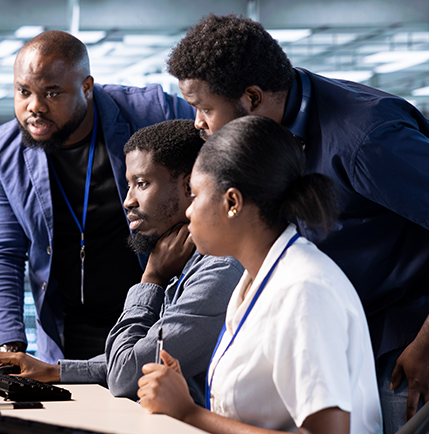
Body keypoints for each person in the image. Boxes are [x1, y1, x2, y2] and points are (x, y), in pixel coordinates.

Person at [164, 14, 429, 434]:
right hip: (382, 306)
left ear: (253, 97)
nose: (198, 123)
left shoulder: (366, 139)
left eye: (205, 108)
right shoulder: (282, 118)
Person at [138, 116, 382, 434]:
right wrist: (179, 392)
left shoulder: (305, 289)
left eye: (195, 196)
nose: (188, 211)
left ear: (232, 202)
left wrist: (189, 412)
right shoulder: (255, 278)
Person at [0, 120, 243, 404]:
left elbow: (126, 375)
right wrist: (55, 371)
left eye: (142, 184)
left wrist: (151, 279)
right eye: (129, 185)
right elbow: (135, 357)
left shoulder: (219, 270)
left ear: (189, 186)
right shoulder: (184, 263)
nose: (128, 201)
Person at [0, 31, 195, 364]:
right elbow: (1, 253)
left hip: (157, 316)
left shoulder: (154, 112)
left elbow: (224, 162)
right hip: (68, 334)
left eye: (52, 93)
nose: (34, 107)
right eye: (23, 92)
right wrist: (7, 345)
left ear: (87, 87)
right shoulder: (2, 152)